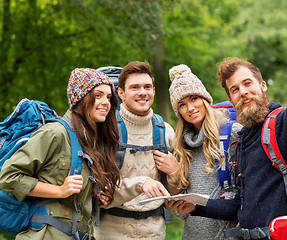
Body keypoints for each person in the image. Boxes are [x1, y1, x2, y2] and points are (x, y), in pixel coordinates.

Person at [167, 41, 287, 239]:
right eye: (235, 89)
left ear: (262, 86)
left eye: (247, 83)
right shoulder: (242, 140)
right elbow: (242, 207)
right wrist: (195, 207)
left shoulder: (283, 126)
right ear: (231, 100)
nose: (243, 92)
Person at [0, 68, 166, 239]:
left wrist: (97, 194)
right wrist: (60, 190)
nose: (105, 102)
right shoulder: (55, 133)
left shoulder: (91, 141)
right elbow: (8, 177)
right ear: (81, 98)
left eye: (109, 97)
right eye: (98, 95)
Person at [94, 61, 180, 240]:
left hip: (155, 231)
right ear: (121, 93)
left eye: (147, 87)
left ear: (154, 91)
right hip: (111, 231)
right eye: (134, 87)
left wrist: (174, 171)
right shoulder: (104, 131)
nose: (142, 92)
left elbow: (175, 193)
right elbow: (100, 192)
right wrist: (141, 184)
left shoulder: (165, 131)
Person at [156, 64, 242, 239]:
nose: (190, 108)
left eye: (194, 98)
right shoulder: (181, 147)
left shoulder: (232, 133)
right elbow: (180, 214)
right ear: (178, 111)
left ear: (205, 99)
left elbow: (249, 190)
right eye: (182, 104)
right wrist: (174, 172)